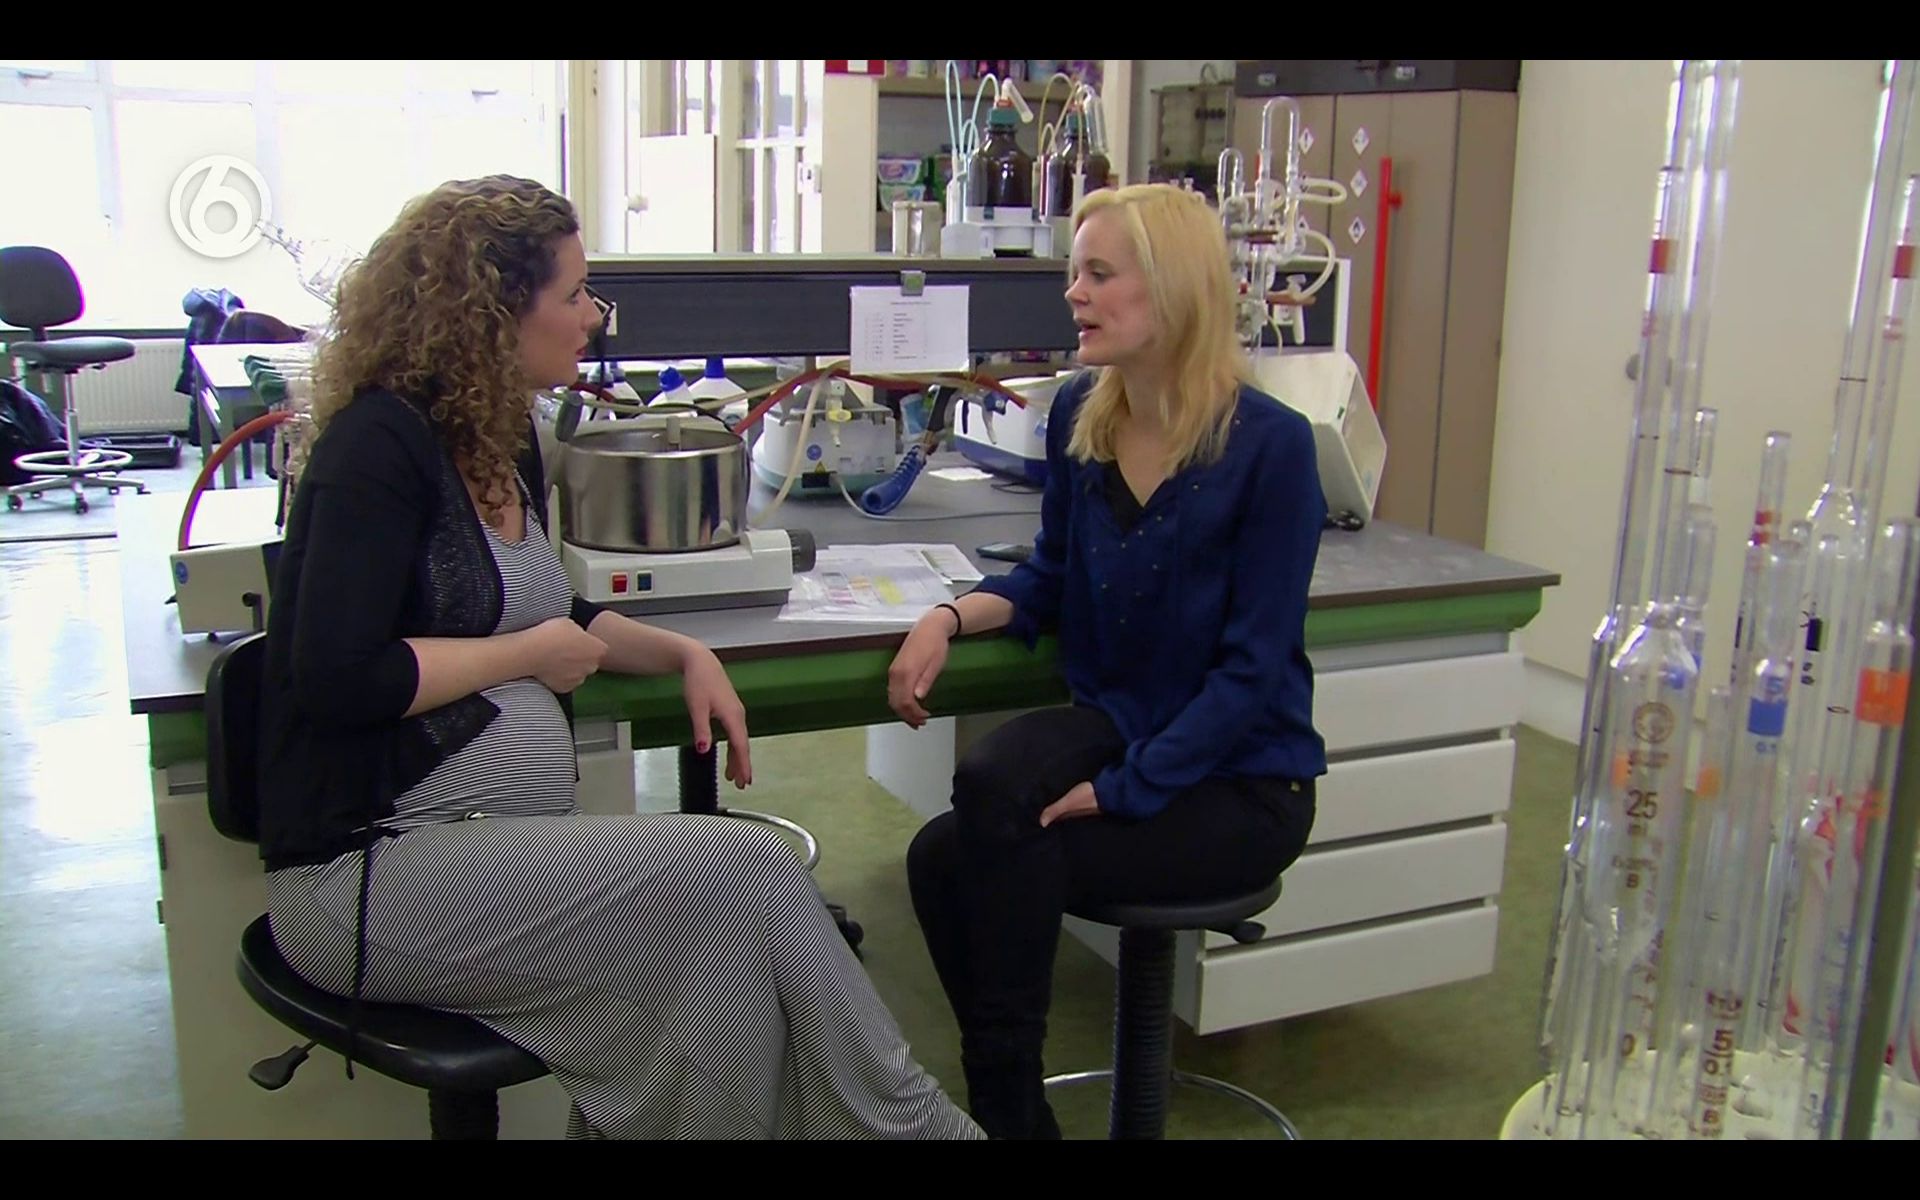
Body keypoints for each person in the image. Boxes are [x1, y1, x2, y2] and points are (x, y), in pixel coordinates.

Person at [256, 175, 981, 1141]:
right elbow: (338, 676)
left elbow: (551, 611)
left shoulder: (501, 434)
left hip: (481, 846)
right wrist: (523, 656)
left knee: (720, 978)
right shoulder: (377, 447)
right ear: (493, 313)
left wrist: (680, 652)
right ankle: (918, 1129)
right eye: (574, 294)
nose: (593, 317)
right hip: (365, 874)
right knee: (749, 870)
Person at [886, 183, 1327, 1139]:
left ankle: (1005, 1113)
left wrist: (1126, 789)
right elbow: (1050, 575)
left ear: (1169, 289)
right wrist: (947, 618)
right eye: (1073, 273)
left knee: (982, 856)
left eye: (1098, 273)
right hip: (1121, 730)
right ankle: (1013, 1107)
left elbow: (1250, 675)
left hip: (1241, 781)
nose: (1073, 294)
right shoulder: (1082, 414)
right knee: (948, 842)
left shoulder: (1273, 449)